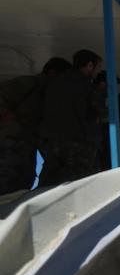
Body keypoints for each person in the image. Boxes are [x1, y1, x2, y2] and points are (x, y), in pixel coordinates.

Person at [0, 57, 72, 194]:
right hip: (9, 142)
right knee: (6, 181)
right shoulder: (28, 84)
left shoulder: (50, 93)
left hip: (27, 145)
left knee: (24, 181)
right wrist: (6, 116)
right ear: (52, 73)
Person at [38, 49, 102, 187]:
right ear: (90, 65)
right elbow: (96, 111)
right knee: (78, 184)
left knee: (50, 179)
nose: (97, 71)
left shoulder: (55, 82)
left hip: (51, 140)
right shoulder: (86, 85)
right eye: (97, 67)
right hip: (77, 141)